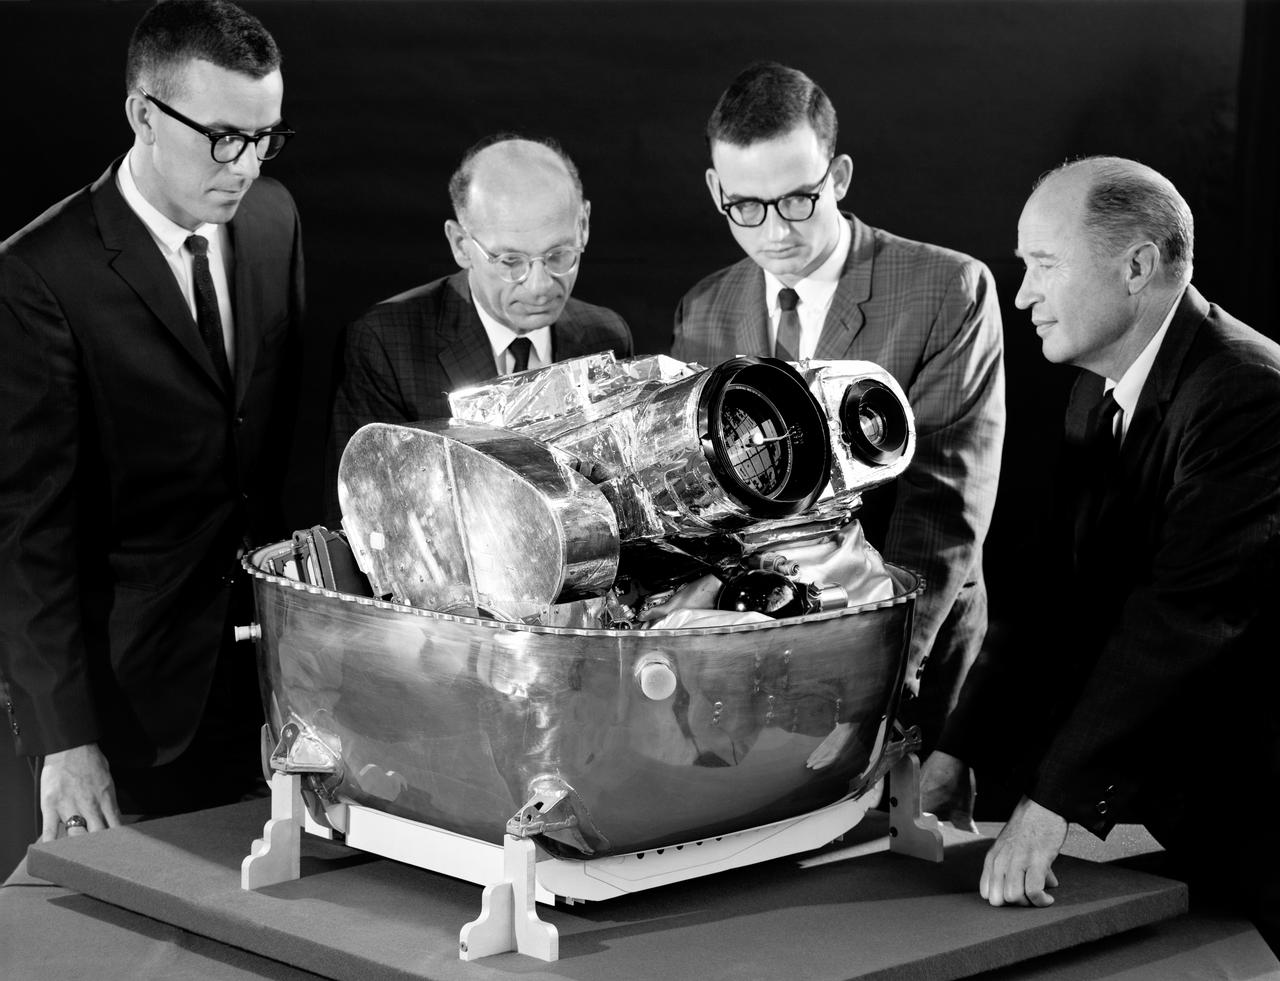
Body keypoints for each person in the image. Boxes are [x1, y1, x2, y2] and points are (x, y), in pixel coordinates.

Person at [923, 156, 1280, 948]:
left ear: (1137, 267)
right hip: (1189, 805)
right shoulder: (1097, 388)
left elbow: (1182, 618)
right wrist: (958, 746)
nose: (1022, 296)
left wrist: (1051, 805)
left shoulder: (1247, 391)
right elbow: (1054, 595)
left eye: (1043, 266)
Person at [0, 0, 304, 840]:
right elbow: (28, 534)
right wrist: (66, 738)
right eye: (223, 137)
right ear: (143, 113)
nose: (245, 166)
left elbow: (271, 448)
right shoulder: (40, 276)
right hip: (131, 698)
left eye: (266, 136)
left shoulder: (275, 222)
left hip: (272, 679)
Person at [672, 62, 1005, 754]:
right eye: (746, 207)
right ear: (715, 191)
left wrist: (873, 675)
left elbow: (942, 510)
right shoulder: (704, 310)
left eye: (798, 200)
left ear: (839, 176)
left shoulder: (947, 290)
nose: (775, 233)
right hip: (745, 670)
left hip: (904, 657)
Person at [328, 135, 633, 503]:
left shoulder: (606, 336)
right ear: (460, 244)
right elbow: (364, 518)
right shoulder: (385, 345)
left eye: (558, 255)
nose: (539, 286)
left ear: (583, 224)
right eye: (510, 262)